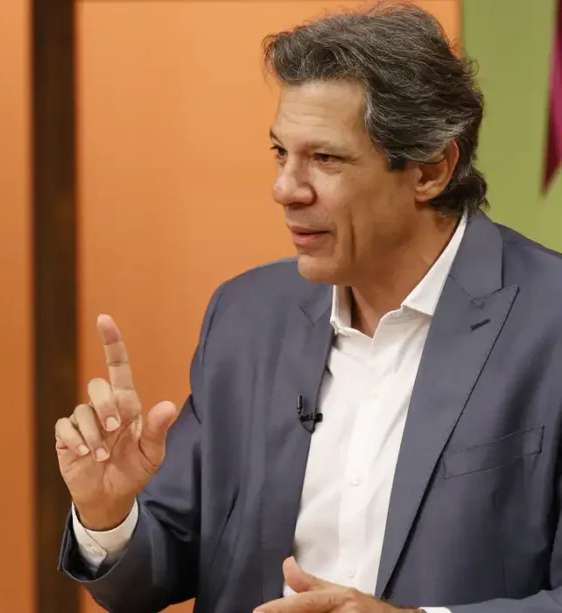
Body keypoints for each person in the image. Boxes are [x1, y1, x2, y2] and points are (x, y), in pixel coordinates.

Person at [54, 2, 562, 612]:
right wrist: (108, 514)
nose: (284, 189)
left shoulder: (549, 322)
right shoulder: (247, 317)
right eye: (280, 153)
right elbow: (153, 570)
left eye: (325, 159)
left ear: (431, 170)